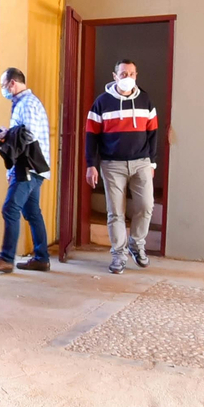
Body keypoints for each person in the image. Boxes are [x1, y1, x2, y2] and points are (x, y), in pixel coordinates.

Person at [83, 59, 157, 274]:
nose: (128, 78)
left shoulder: (145, 99)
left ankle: (137, 243)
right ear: (114, 76)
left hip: (141, 162)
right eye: (123, 74)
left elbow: (153, 133)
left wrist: (152, 161)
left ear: (136, 75)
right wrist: (91, 164)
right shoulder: (102, 102)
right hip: (112, 164)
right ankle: (118, 254)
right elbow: (91, 136)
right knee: (115, 212)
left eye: (132, 74)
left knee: (146, 206)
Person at [0, 67, 52, 273]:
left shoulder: (26, 104)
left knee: (10, 209)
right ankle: (41, 257)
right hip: (34, 167)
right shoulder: (26, 102)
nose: (3, 90)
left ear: (12, 83)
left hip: (28, 166)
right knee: (32, 211)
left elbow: (27, 135)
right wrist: (8, 132)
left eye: (3, 85)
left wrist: (7, 136)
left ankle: (6, 258)